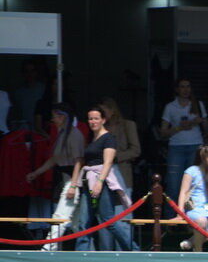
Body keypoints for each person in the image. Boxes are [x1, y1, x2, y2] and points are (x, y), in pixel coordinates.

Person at [75, 105, 136, 252]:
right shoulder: (91, 138)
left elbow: (108, 163)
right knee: (84, 221)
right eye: (90, 119)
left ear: (103, 120)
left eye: (96, 118)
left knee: (108, 220)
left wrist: (100, 183)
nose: (93, 121)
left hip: (101, 180)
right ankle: (81, 253)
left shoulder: (108, 138)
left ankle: (133, 249)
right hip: (87, 181)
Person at [26, 103, 85, 250]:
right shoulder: (62, 134)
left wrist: (73, 185)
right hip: (67, 180)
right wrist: (36, 173)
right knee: (77, 224)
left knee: (61, 217)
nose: (53, 120)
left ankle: (47, 249)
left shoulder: (74, 134)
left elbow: (79, 160)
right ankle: (90, 251)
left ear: (62, 116)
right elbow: (54, 159)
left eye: (54, 117)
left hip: (72, 181)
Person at [160, 78, 208, 205]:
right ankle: (171, 220)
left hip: (195, 146)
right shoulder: (170, 107)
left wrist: (201, 121)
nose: (185, 90)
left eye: (188, 86)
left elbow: (207, 129)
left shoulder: (198, 104)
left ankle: (192, 218)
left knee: (195, 183)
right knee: (173, 185)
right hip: (176, 147)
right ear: (177, 89)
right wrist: (180, 127)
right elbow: (163, 132)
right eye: (182, 87)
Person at [97, 97, 141, 196]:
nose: (101, 114)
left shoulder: (128, 125)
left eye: (103, 111)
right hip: (103, 172)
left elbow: (136, 150)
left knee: (123, 207)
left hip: (122, 169)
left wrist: (115, 157)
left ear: (112, 109)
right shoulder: (100, 127)